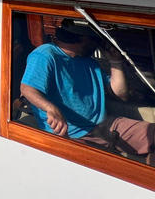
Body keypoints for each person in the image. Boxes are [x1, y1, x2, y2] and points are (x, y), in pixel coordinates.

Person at [20, 18, 155, 162]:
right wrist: (50, 108)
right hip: (72, 134)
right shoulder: (45, 55)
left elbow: (121, 95)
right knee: (116, 168)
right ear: (85, 39)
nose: (98, 46)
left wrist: (115, 62)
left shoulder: (89, 62)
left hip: (105, 124)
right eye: (97, 41)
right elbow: (27, 88)